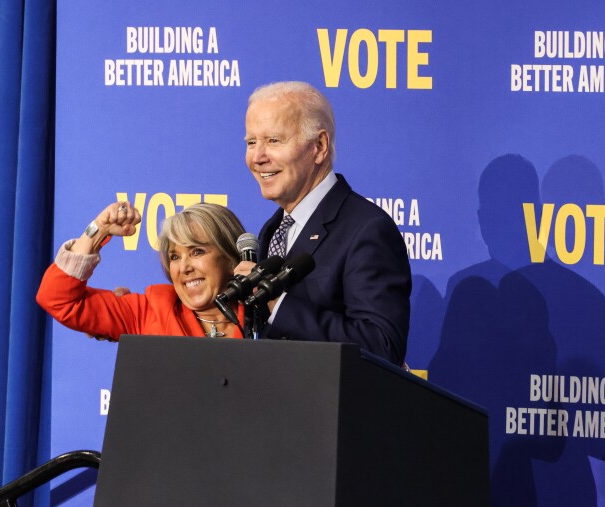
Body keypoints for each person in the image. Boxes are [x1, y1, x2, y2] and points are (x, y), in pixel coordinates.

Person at [242, 81, 411, 366]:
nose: (257, 157)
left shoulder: (366, 229)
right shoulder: (273, 229)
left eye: (273, 141)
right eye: (251, 142)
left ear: (319, 147)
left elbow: (381, 347)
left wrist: (277, 304)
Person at [36, 201, 248, 339]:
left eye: (197, 252)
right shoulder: (149, 311)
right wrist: (98, 229)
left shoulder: (261, 312)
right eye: (174, 257)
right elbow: (58, 299)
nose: (184, 267)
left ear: (231, 259)